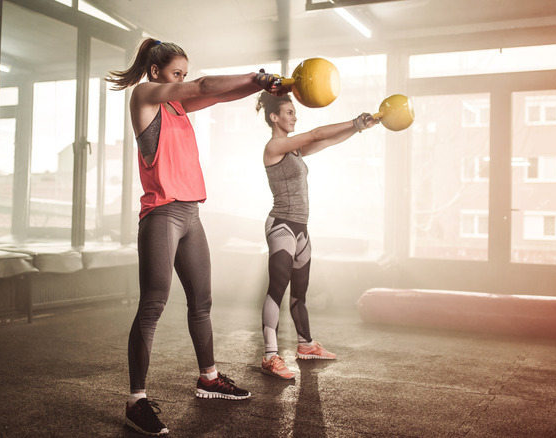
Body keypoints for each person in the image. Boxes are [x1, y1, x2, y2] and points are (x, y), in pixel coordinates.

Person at [106, 38, 283, 436]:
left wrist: (262, 86)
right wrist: (257, 74)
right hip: (162, 215)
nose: (182, 80)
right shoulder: (146, 96)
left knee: (201, 302)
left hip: (191, 215)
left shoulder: (176, 105)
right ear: (156, 72)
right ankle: (136, 400)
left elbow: (217, 96)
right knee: (152, 305)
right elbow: (204, 87)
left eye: (184, 74)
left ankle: (209, 377)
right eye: (176, 74)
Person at [254, 91, 378, 379]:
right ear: (274, 117)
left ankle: (306, 345)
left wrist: (357, 128)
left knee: (300, 291)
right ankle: (270, 356)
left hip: (301, 227)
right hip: (282, 225)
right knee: (278, 288)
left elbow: (327, 139)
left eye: (294, 112)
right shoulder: (275, 146)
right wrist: (354, 120)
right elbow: (316, 133)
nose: (294, 117)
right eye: (288, 112)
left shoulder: (294, 149)